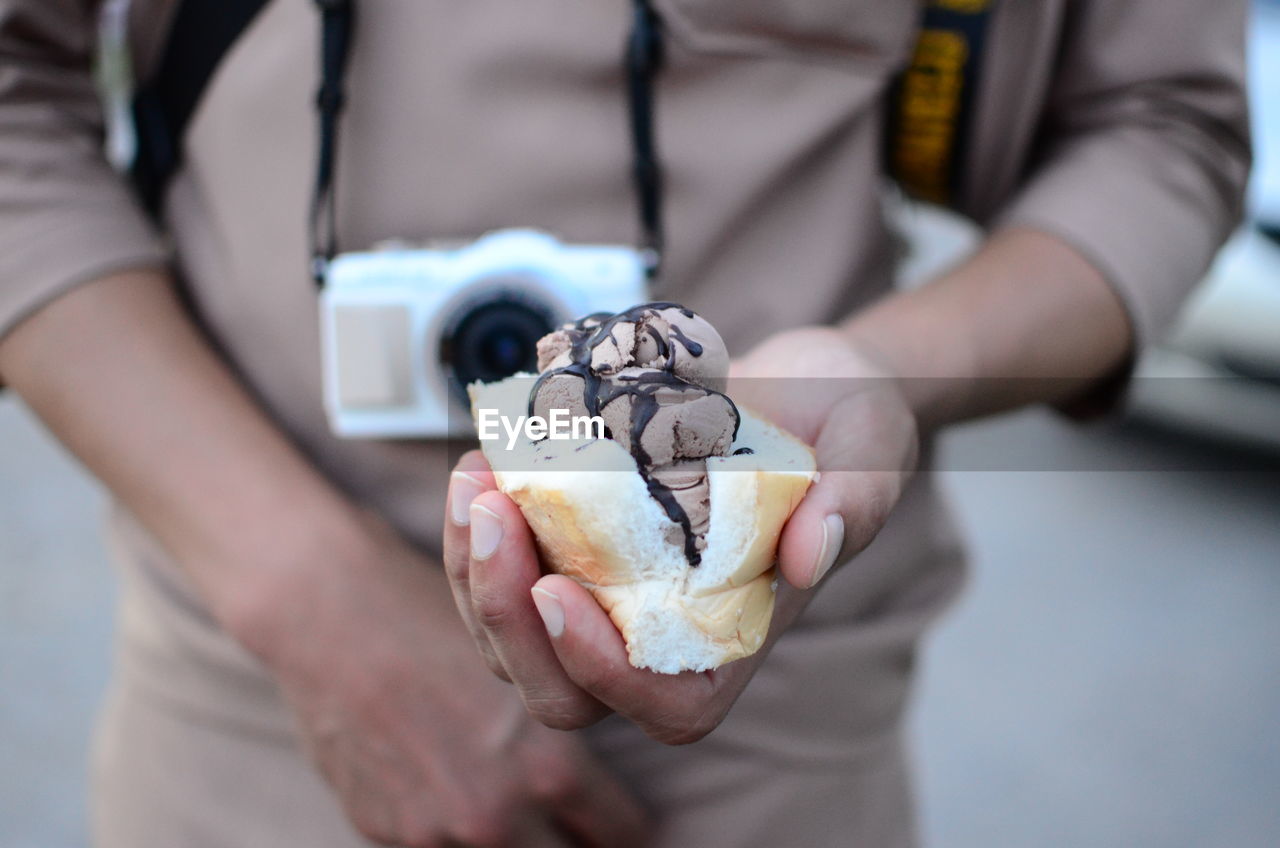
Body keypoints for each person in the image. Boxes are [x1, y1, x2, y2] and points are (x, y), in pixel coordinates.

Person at [0, 1, 1248, 846]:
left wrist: (887, 369)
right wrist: (299, 587)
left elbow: (1160, 126)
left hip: (782, 724)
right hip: (241, 703)